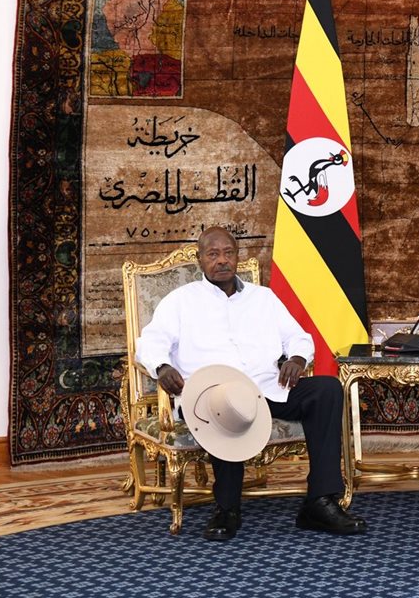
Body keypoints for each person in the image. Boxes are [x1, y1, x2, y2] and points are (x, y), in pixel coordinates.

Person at [136, 226, 367, 541]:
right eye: (213, 254)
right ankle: (227, 508)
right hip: (211, 396)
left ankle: (320, 502)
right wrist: (162, 367)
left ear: (237, 256)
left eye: (228, 253)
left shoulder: (264, 298)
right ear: (200, 260)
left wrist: (297, 359)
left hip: (266, 389)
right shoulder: (180, 301)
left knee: (326, 390)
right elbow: (149, 342)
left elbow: (298, 337)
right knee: (225, 404)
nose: (222, 260)